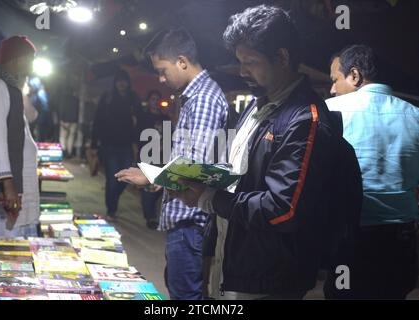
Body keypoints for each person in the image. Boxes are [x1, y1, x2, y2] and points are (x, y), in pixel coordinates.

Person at [168, 5, 361, 300]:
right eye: (240, 61)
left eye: (251, 62)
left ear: (282, 57)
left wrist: (209, 199)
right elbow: (240, 176)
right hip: (233, 262)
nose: (243, 71)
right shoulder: (258, 105)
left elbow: (283, 210)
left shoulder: (305, 120)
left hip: (266, 280)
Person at [117, 28, 229, 300]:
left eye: (163, 69)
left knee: (187, 296)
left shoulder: (202, 99)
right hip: (187, 222)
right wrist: (157, 178)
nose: (161, 78)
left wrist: (152, 177)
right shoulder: (195, 97)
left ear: (182, 61)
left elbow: (194, 166)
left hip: (192, 224)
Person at [326, 44, 419, 299]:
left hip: (350, 240)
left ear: (354, 76)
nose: (332, 89)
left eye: (335, 80)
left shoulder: (331, 112)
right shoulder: (415, 115)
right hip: (402, 242)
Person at [0, 36, 40, 238]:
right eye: (30, 58)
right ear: (17, 58)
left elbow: (32, 115)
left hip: (17, 192)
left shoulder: (11, 89)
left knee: (23, 259)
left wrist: (21, 85)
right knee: (9, 260)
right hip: (5, 195)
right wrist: (8, 184)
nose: (32, 64)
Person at [91, 69, 140, 221]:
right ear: (115, 82)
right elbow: (97, 120)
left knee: (125, 178)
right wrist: (93, 143)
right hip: (109, 144)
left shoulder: (133, 98)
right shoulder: (108, 97)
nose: (121, 83)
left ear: (128, 82)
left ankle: (113, 199)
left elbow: (139, 120)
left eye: (124, 80)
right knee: (112, 179)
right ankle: (111, 210)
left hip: (126, 145)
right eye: (119, 80)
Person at [135, 90, 168, 230]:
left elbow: (168, 137)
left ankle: (154, 215)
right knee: (148, 188)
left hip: (161, 157)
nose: (154, 102)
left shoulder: (164, 118)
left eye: (157, 99)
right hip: (146, 155)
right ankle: (150, 217)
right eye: (152, 99)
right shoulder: (143, 117)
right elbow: (136, 137)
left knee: (159, 188)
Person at [59, 86, 79, 158]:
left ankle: (64, 151)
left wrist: (61, 119)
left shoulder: (63, 99)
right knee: (71, 137)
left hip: (65, 120)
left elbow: (62, 109)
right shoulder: (76, 99)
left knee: (63, 137)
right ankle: (69, 152)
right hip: (74, 121)